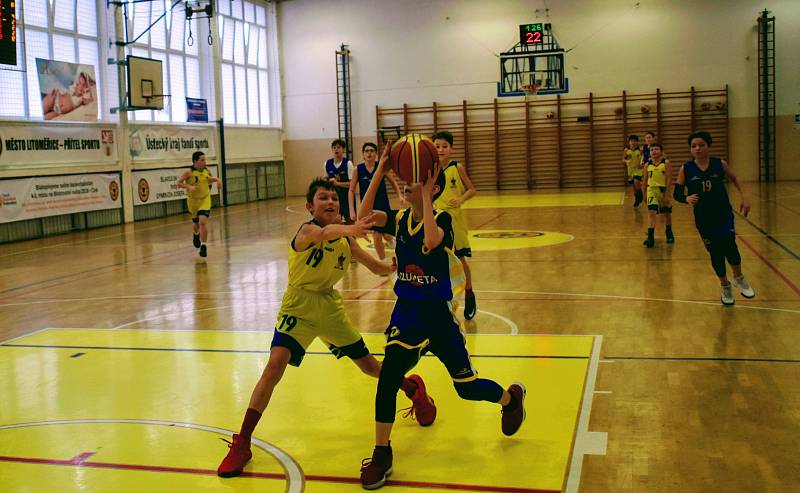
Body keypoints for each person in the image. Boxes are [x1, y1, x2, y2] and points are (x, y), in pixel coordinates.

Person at [216, 178, 436, 478]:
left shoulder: (346, 240)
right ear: (310, 206)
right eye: (323, 198)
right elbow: (325, 232)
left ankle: (412, 388)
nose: (331, 202)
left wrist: (397, 263)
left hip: (329, 308)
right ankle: (242, 442)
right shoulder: (307, 231)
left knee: (371, 367)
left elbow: (376, 267)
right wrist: (351, 229)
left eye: (334, 197)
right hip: (299, 306)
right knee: (274, 366)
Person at [357, 144, 526, 490]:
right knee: (388, 377)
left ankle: (511, 400)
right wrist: (381, 172)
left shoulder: (443, 220)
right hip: (407, 314)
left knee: (467, 389)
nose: (406, 185)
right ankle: (381, 452)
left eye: (414, 182)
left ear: (432, 187)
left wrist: (428, 198)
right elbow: (362, 218)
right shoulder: (399, 220)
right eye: (404, 182)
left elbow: (432, 240)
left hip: (438, 317)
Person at [673, 131, 755, 305]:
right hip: (703, 217)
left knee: (729, 245)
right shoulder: (686, 168)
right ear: (690, 149)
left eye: (701, 145)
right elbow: (677, 193)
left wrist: (745, 196)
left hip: (723, 213)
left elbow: (735, 177)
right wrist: (686, 198)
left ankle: (739, 277)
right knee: (716, 253)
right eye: (694, 146)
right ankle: (725, 285)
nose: (697, 148)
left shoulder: (719, 164)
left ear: (708, 146)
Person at [431, 131, 478, 320]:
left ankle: (469, 293)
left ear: (451, 148)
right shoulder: (429, 169)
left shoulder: (456, 167)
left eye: (444, 146)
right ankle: (441, 300)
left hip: (454, 221)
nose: (440, 149)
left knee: (460, 260)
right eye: (437, 146)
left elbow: (472, 189)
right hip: (434, 221)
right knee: (436, 262)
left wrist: (460, 198)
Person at [349, 142, 402, 260]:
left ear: (376, 154)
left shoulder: (381, 166)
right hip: (369, 208)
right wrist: (352, 210)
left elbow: (393, 182)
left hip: (383, 204)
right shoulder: (358, 169)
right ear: (363, 154)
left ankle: (391, 243)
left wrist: (400, 196)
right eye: (366, 151)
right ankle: (383, 261)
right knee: (377, 234)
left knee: (386, 233)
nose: (369, 153)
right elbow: (351, 190)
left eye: (372, 151)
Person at [177, 151, 222, 258]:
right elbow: (178, 183)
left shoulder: (206, 171)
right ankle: (196, 235)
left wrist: (216, 180)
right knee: (196, 224)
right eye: (202, 160)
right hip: (193, 201)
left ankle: (204, 246)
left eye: (205, 160)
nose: (204, 162)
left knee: (203, 221)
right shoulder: (189, 172)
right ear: (195, 161)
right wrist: (189, 187)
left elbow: (207, 180)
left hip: (205, 199)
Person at [642, 143, 675, 247]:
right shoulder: (647, 165)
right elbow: (645, 180)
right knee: (651, 212)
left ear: (661, 151)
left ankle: (669, 233)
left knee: (666, 213)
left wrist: (667, 194)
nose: (654, 151)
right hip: (651, 190)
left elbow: (669, 179)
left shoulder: (666, 163)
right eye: (652, 150)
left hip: (663, 190)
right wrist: (644, 194)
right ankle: (650, 238)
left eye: (656, 149)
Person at [324, 139, 355, 222]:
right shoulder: (327, 163)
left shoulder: (348, 163)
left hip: (347, 197)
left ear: (343, 150)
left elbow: (352, 184)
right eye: (334, 147)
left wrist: (337, 183)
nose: (336, 149)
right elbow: (325, 179)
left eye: (338, 147)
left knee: (350, 222)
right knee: (335, 221)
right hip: (334, 198)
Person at [623, 134, 644, 208]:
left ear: (637, 142)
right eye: (631, 141)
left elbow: (643, 157)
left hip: (638, 169)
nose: (633, 142)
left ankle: (641, 197)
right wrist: (626, 161)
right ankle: (637, 200)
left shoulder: (640, 149)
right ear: (629, 142)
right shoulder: (626, 150)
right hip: (630, 170)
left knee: (637, 182)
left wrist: (642, 162)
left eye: (634, 141)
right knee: (634, 187)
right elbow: (623, 159)